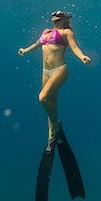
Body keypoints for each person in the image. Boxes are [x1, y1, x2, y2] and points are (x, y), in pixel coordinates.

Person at [18, 10, 91, 142]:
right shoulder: (46, 32)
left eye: (58, 19)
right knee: (51, 103)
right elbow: (37, 44)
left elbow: (74, 47)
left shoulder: (67, 33)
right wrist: (25, 50)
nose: (55, 21)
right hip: (45, 71)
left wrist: (82, 57)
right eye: (54, 19)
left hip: (60, 70)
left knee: (43, 98)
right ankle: (51, 134)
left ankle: (56, 125)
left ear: (64, 20)